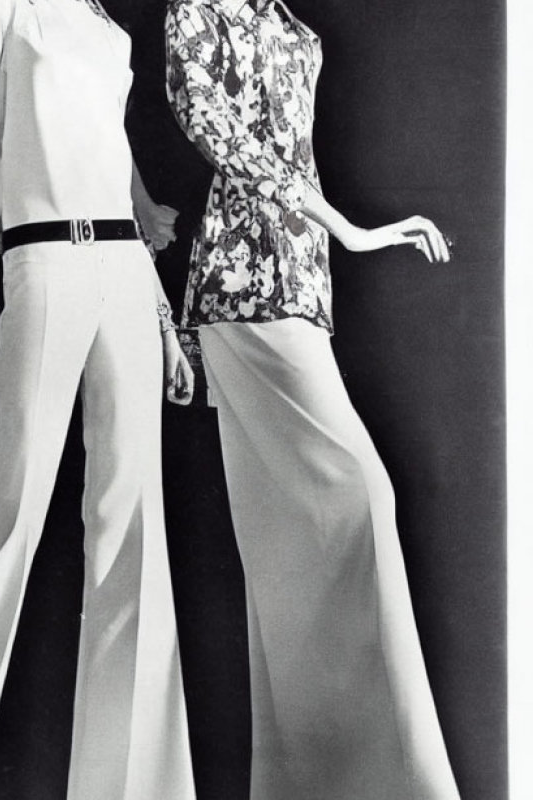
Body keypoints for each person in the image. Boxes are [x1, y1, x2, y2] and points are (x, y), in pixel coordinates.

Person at [0, 0, 198, 798]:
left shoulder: (108, 31)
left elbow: (113, 159)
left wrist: (164, 320)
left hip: (127, 274)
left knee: (134, 534)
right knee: (10, 518)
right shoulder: (1, 7)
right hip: (40, 261)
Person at [164, 0, 459, 798]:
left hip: (301, 295)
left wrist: (329, 248)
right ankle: (411, 783)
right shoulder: (196, 15)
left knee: (290, 557)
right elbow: (222, 137)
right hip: (239, 295)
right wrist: (350, 230)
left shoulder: (297, 31)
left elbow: (294, 154)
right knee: (363, 496)